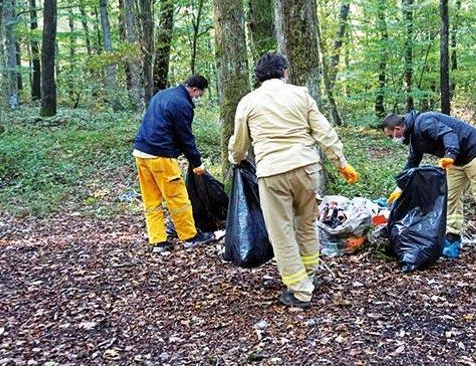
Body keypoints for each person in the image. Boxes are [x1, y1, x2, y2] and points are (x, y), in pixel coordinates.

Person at [228, 52, 359, 309]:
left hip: (273, 172)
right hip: (307, 169)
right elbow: (324, 131)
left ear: (259, 76)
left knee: (282, 232)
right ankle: (308, 276)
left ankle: (299, 291)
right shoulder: (301, 94)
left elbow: (240, 142)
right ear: (284, 72)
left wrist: (236, 158)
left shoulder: (248, 101)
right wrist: (341, 162)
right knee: (307, 224)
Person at [382, 111, 476, 260]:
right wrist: (400, 187)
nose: (392, 139)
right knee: (450, 197)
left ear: (398, 129)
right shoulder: (414, 137)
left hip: (475, 152)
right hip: (457, 160)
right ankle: (453, 236)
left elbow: (449, 135)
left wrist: (450, 155)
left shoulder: (424, 122)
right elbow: (413, 162)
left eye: (390, 136)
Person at [133, 74, 217, 255]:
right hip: (160, 156)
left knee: (151, 200)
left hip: (140, 152)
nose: (198, 98)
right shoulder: (183, 104)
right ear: (194, 89)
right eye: (199, 95)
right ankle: (189, 238)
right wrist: (197, 163)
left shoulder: (162, 95)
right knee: (177, 197)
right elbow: (185, 137)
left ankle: (158, 241)